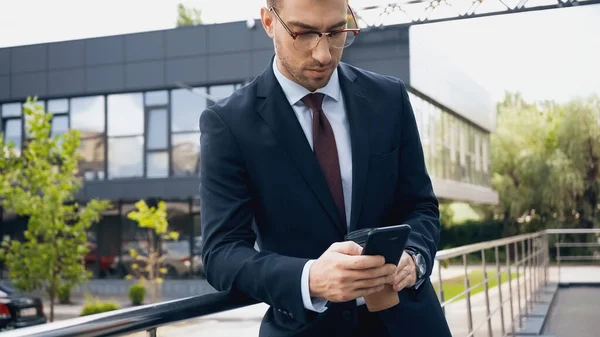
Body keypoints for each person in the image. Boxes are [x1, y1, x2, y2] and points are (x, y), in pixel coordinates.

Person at [199, 0, 451, 336]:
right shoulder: (228, 124)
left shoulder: (389, 98)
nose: (323, 54)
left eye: (335, 31)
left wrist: (414, 256)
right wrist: (309, 278)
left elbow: (420, 206)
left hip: (412, 323)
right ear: (268, 22)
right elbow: (222, 253)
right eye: (303, 34)